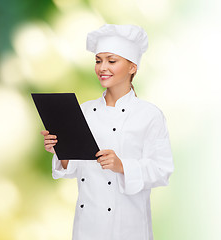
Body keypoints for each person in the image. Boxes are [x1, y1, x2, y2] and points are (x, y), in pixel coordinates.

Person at [41, 24, 174, 240]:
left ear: (133, 67)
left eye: (111, 61)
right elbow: (75, 168)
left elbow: (162, 170)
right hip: (87, 227)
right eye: (98, 60)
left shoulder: (149, 115)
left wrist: (122, 166)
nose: (102, 67)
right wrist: (61, 149)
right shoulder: (83, 111)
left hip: (128, 228)